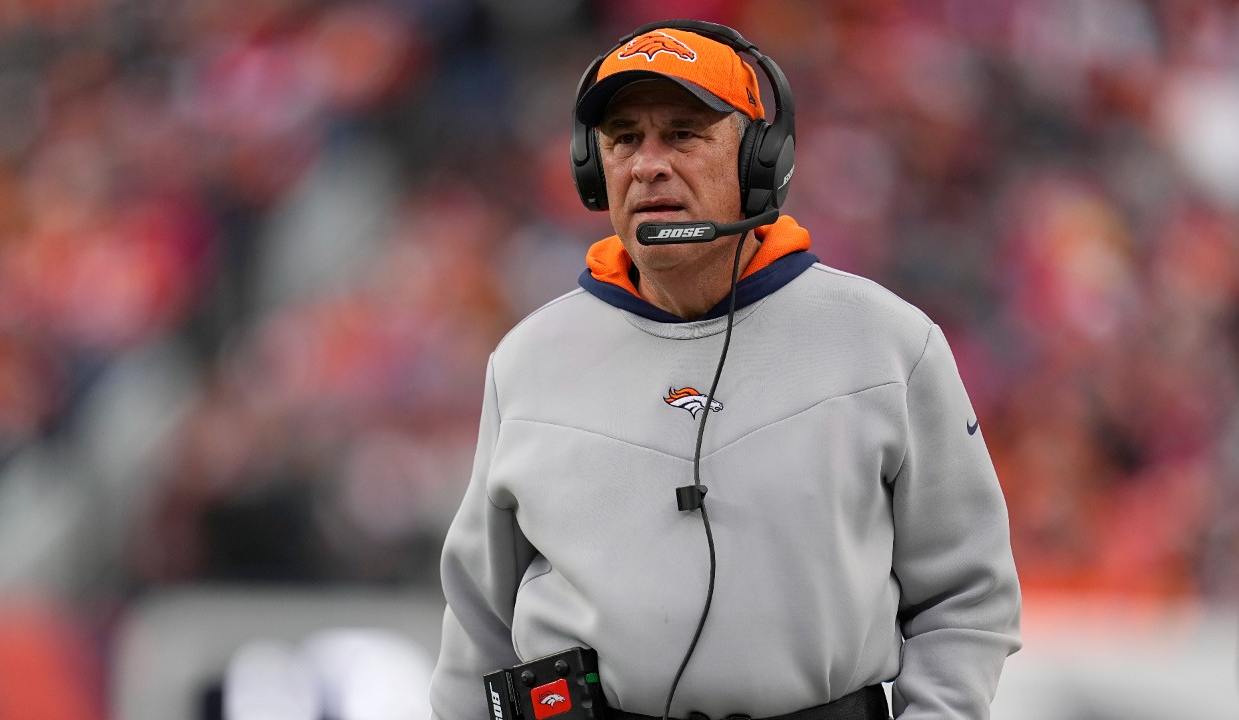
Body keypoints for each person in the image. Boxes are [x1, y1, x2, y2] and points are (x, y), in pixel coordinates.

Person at [428, 20, 1021, 720]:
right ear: (594, 169)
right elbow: (476, 625)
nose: (648, 164)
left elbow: (967, 596)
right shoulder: (527, 361)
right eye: (623, 139)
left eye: (683, 134)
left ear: (760, 160)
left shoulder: (888, 343)